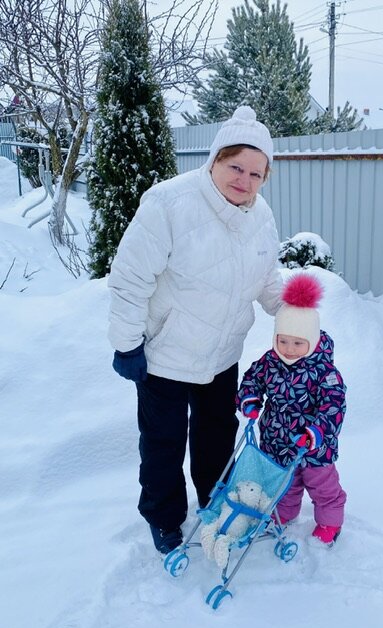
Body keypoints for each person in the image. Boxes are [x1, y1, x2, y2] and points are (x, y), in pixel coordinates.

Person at [107, 106, 283, 554]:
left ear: (265, 179)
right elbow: (130, 278)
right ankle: (164, 519)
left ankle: (214, 499)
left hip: (222, 354)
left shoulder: (260, 214)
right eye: (235, 166)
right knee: (164, 444)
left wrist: (294, 313)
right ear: (214, 159)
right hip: (167, 353)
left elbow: (267, 278)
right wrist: (127, 344)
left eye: (256, 173)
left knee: (216, 438)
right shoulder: (169, 202)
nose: (244, 180)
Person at [236, 272, 347, 546]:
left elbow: (334, 406)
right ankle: (283, 514)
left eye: (298, 343)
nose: (289, 349)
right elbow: (253, 378)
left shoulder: (324, 371)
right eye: (283, 341)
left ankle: (330, 522)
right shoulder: (270, 361)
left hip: (313, 447)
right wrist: (249, 398)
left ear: (311, 340)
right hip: (277, 441)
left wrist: (315, 432)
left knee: (323, 487)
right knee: (283, 484)